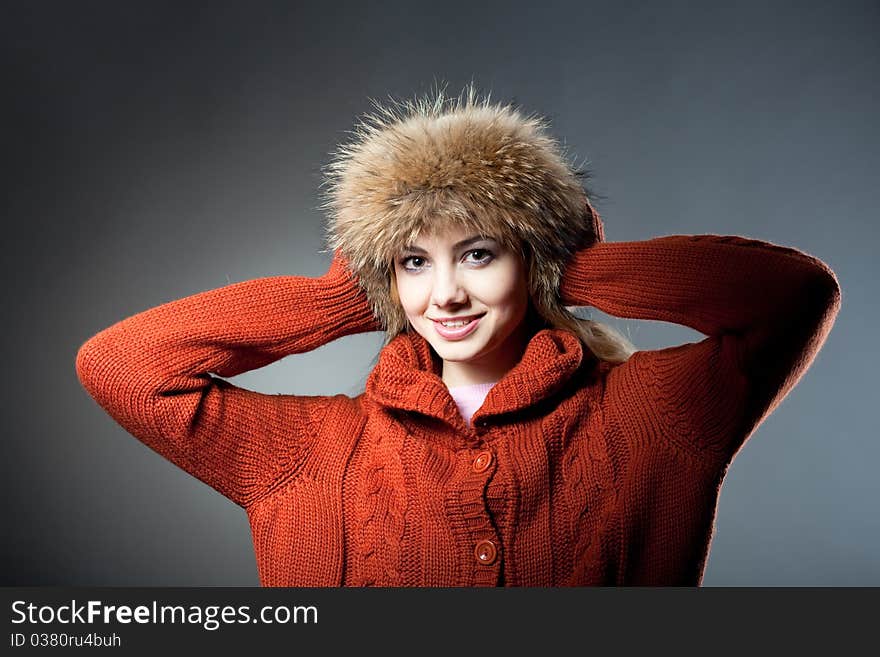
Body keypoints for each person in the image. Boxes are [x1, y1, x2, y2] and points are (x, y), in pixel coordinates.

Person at [75, 83, 841, 586]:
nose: (443, 292)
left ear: (532, 261)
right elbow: (119, 365)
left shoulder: (653, 417)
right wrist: (347, 294)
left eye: (478, 253)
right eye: (413, 260)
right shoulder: (305, 453)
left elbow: (793, 295)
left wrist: (566, 264)